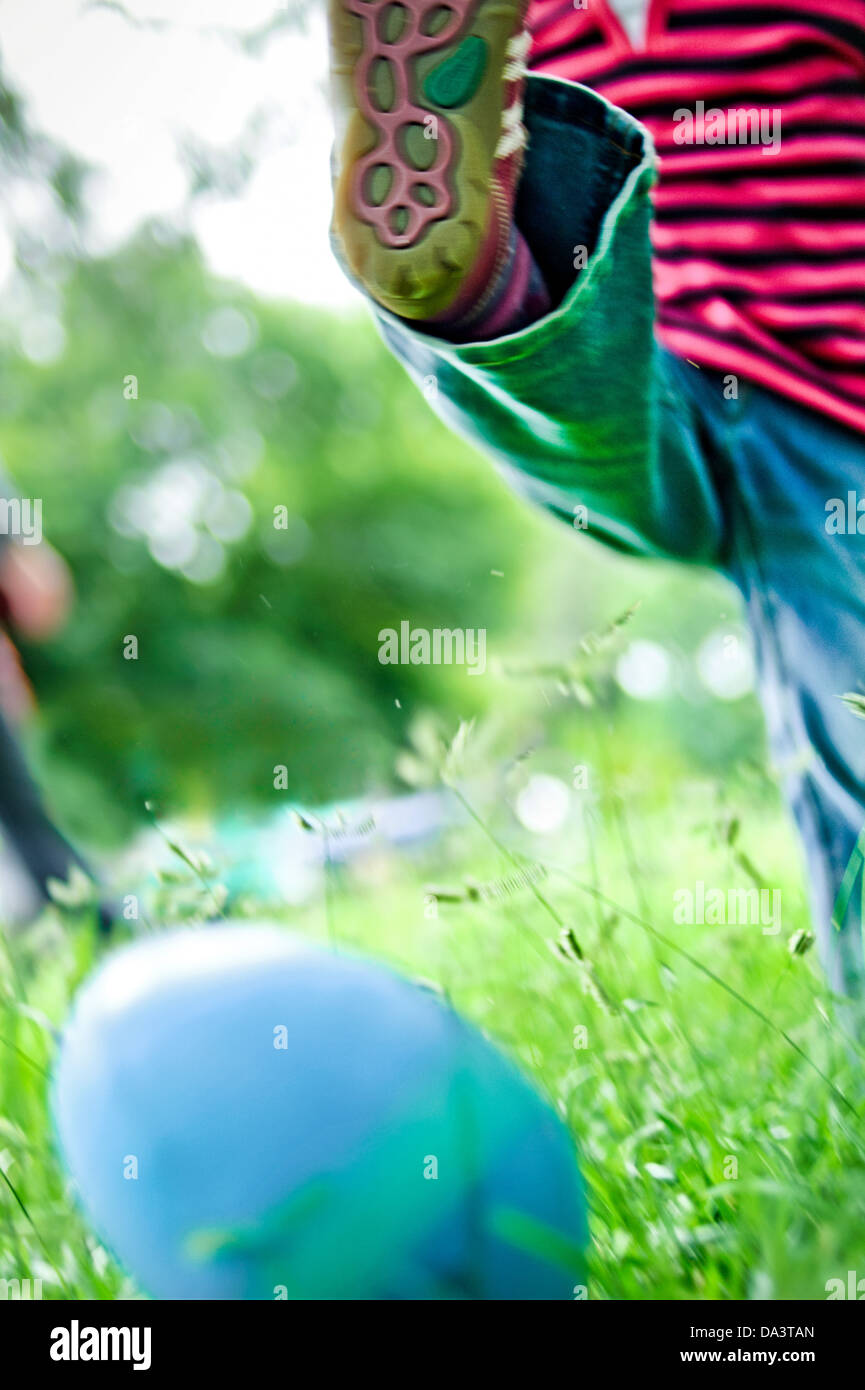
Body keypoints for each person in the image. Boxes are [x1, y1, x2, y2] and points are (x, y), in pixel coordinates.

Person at [326, 0, 865, 993]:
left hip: (642, 360)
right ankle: (478, 247)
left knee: (572, 410)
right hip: (816, 384)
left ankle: (483, 292)